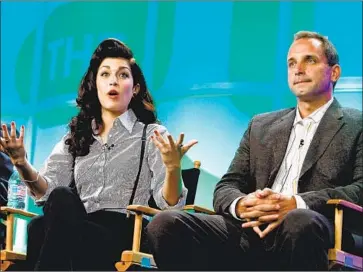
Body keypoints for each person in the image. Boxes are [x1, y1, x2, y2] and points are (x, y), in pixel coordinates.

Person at [145, 30, 363, 271]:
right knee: (165, 223)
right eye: (291, 63)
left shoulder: (356, 125)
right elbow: (227, 186)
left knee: (298, 221)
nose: (298, 69)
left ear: (334, 72)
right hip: (250, 228)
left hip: (313, 226)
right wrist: (241, 204)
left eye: (309, 60)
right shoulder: (261, 125)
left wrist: (297, 203)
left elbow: (360, 189)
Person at [0, 38, 197, 271]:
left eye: (123, 75)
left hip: (121, 232)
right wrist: (20, 162)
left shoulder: (151, 134)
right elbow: (48, 192)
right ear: (96, 84)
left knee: (44, 231)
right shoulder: (76, 136)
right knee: (45, 219)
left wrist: (173, 168)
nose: (113, 80)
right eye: (105, 74)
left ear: (135, 89)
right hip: (78, 225)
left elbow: (170, 206)